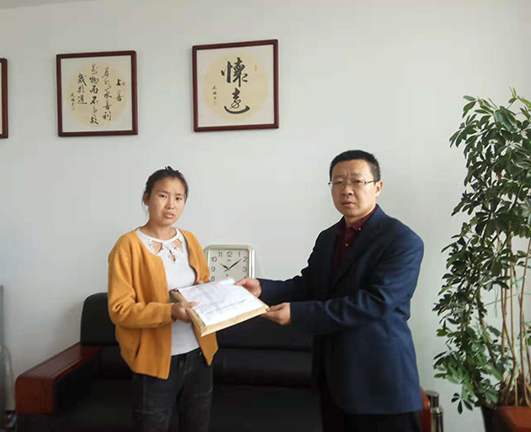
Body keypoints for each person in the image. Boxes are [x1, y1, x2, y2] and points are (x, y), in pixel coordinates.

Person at [238, 150, 424, 432]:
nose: (346, 190)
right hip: (334, 382)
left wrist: (298, 315)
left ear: (377, 187)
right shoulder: (328, 238)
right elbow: (309, 285)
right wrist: (264, 288)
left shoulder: (402, 240)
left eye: (356, 181)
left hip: (381, 385)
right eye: (338, 182)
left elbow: (374, 303)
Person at [108, 166, 217, 432]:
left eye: (179, 198)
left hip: (199, 356)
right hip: (155, 363)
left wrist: (209, 291)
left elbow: (202, 281)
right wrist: (170, 312)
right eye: (163, 196)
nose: (171, 205)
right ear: (146, 198)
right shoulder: (127, 246)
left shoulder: (189, 239)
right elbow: (120, 309)